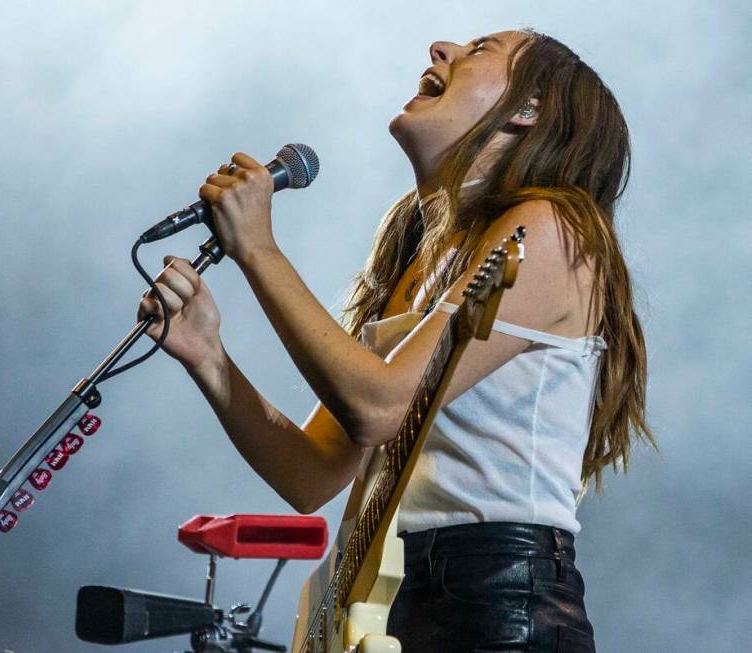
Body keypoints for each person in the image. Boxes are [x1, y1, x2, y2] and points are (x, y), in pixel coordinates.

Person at [137, 28, 653, 652]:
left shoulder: (551, 227)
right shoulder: (420, 249)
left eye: (480, 50)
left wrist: (257, 246)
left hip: (498, 599)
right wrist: (208, 356)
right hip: (400, 593)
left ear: (529, 108)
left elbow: (379, 407)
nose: (441, 49)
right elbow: (311, 473)